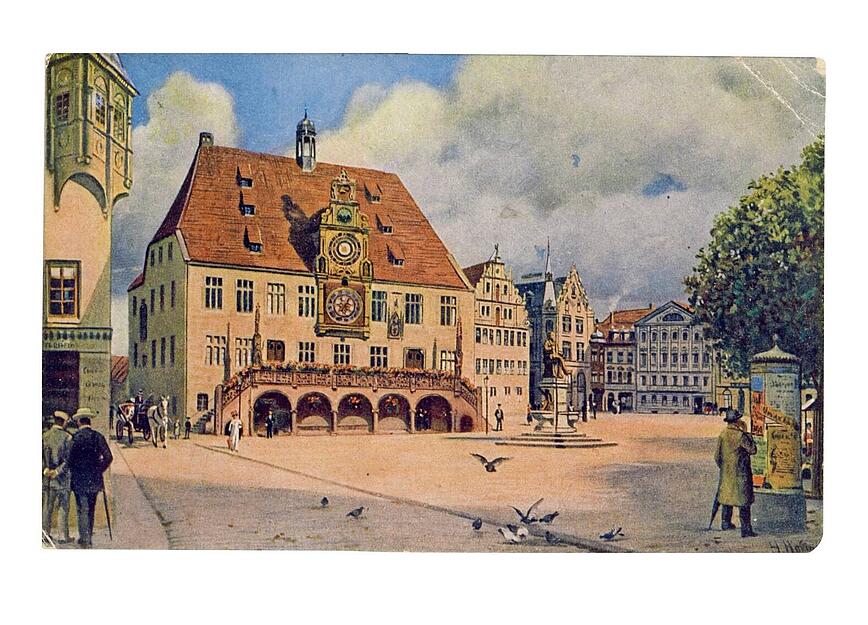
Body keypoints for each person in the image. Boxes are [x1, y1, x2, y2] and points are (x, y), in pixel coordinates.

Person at [68, 409, 113, 548]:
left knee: (82, 509)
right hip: (94, 479)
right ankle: (88, 539)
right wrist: (98, 469)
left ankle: (85, 540)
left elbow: (69, 460)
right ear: (89, 421)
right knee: (91, 510)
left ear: (79, 422)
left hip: (79, 480)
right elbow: (108, 457)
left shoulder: (75, 438)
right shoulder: (98, 437)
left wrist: (75, 469)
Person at [715, 409, 758, 538]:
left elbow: (717, 456)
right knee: (744, 500)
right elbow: (753, 450)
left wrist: (725, 468)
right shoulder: (741, 436)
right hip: (741, 473)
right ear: (737, 421)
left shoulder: (722, 434)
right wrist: (746, 432)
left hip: (727, 473)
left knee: (727, 496)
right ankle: (746, 529)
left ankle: (725, 523)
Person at [43, 411, 72, 544]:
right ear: (64, 422)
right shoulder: (68, 438)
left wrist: (45, 469)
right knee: (63, 508)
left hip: (48, 479)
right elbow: (68, 460)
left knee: (47, 508)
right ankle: (62, 536)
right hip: (63, 479)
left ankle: (44, 535)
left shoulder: (45, 436)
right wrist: (58, 471)